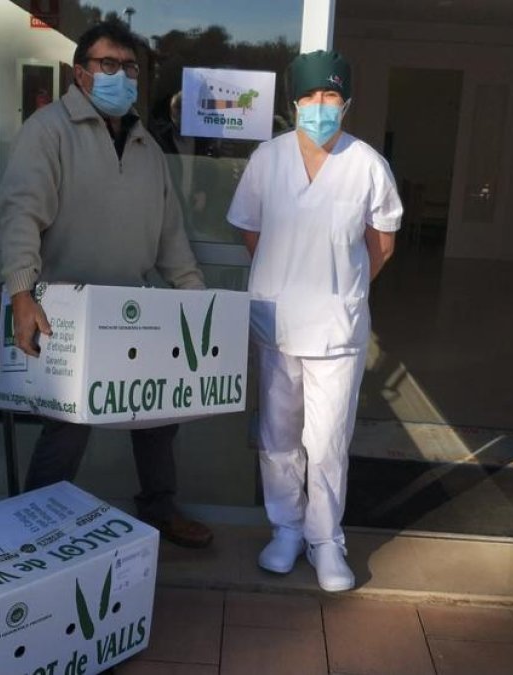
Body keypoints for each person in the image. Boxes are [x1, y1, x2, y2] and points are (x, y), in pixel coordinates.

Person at [0, 20, 212, 549]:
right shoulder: (47, 131)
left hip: (135, 309)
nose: (121, 75)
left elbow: (171, 237)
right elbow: (22, 213)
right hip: (67, 308)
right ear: (81, 73)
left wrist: (198, 304)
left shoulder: (146, 146)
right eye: (108, 65)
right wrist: (21, 293)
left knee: (157, 415)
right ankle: (35, 522)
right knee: (67, 427)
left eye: (130, 67)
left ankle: (160, 509)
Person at [227, 50, 402, 591]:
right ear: (293, 103)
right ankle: (285, 529)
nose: (319, 107)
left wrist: (339, 289)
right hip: (275, 325)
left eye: (330, 97)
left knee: (327, 441)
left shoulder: (367, 164)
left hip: (336, 330)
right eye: (309, 97)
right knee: (278, 435)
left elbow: (382, 245)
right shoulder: (267, 160)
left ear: (346, 102)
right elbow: (252, 233)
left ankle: (326, 540)